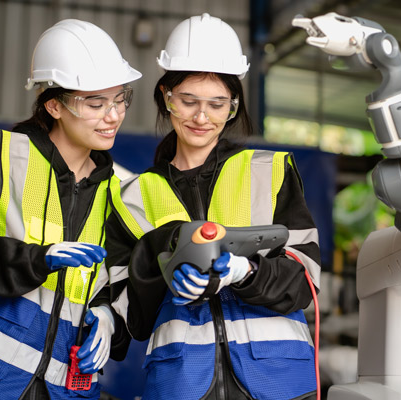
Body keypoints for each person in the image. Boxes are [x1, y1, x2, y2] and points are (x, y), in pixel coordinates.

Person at [106, 13, 321, 400]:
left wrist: (247, 273)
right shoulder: (134, 197)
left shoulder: (269, 172)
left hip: (278, 378)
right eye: (188, 101)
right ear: (166, 98)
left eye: (217, 104)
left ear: (233, 106)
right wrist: (166, 276)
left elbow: (306, 280)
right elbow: (132, 318)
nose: (202, 117)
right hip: (183, 383)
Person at [0, 19, 141, 399]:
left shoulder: (118, 192)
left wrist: (109, 318)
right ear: (54, 105)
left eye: (120, 99)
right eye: (96, 103)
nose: (113, 115)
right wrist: (35, 260)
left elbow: (120, 285)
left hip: (65, 389)